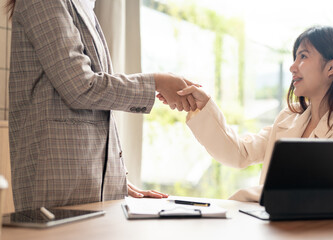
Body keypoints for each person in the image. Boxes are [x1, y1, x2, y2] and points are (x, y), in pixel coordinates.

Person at [6, 0, 198, 211]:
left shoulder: (81, 6)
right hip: (58, 188)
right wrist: (156, 83)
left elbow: (91, 108)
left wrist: (112, 177)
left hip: (85, 187)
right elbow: (81, 87)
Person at [159, 25, 333, 204]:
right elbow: (239, 153)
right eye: (295, 57)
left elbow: (308, 196)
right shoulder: (288, 118)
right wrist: (203, 105)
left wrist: (242, 198)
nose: (293, 66)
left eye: (303, 56)